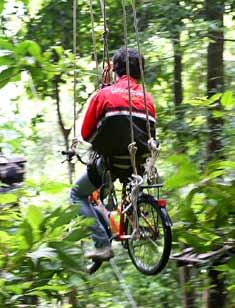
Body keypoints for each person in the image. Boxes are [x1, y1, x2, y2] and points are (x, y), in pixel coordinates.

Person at [70, 47, 156, 261]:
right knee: (113, 187)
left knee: (77, 194)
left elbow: (86, 133)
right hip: (138, 164)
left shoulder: (104, 95)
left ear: (115, 71)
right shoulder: (148, 99)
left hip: (110, 164)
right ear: (140, 73)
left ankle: (102, 244)